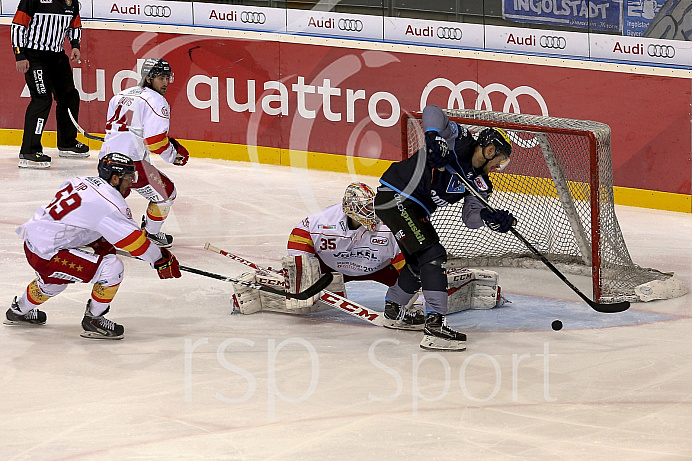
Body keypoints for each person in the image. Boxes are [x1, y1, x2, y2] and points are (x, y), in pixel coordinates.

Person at [374, 104, 515, 351]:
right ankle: (435, 326)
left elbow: (470, 218)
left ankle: (394, 308)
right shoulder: (459, 139)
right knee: (433, 254)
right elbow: (432, 111)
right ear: (490, 150)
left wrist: (488, 217)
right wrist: (433, 136)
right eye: (500, 162)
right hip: (398, 194)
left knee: (420, 262)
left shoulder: (480, 183)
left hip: (412, 207)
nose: (499, 168)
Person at [4, 153, 182, 339]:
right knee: (112, 268)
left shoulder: (81, 180)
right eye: (129, 178)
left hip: (33, 241)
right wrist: (160, 259)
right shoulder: (111, 203)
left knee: (53, 283)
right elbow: (135, 243)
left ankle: (18, 310)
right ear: (115, 178)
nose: (131, 183)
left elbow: (78, 218)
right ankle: (94, 319)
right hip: (49, 254)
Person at [98, 58, 190, 248]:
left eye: (167, 78)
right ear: (148, 79)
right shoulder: (157, 101)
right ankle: (151, 234)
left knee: (111, 197)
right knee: (167, 194)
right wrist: (174, 155)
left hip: (105, 159)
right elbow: (155, 142)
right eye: (161, 78)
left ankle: (86, 231)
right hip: (131, 164)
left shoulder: (120, 95)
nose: (165, 83)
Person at [12, 0, 90, 169]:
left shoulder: (71, 1)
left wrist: (75, 44)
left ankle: (67, 142)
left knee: (69, 96)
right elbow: (18, 25)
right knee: (42, 99)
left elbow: (74, 24)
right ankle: (29, 151)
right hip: (34, 56)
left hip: (57, 55)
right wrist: (20, 55)